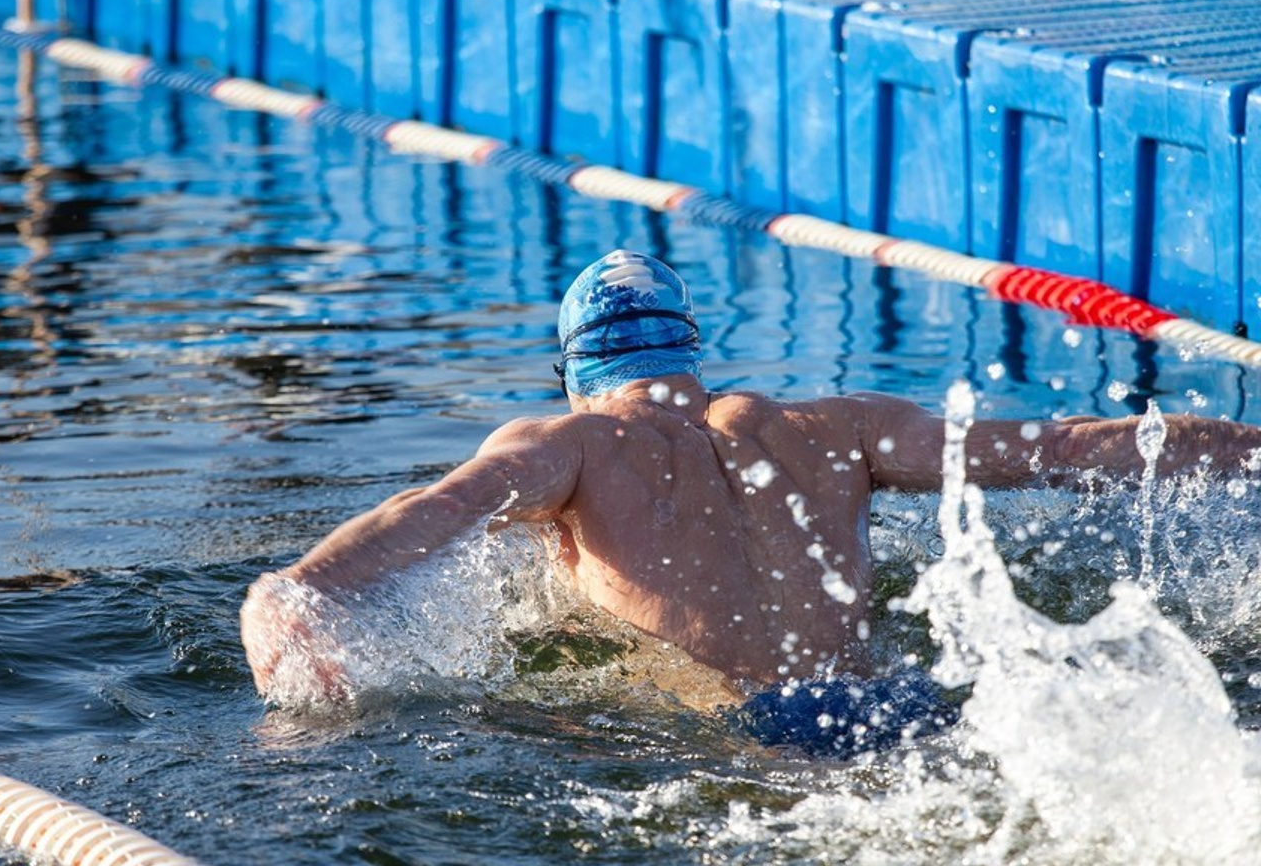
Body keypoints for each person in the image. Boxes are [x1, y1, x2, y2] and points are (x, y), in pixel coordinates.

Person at [241, 251, 1261, 752]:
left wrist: (295, 587)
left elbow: (431, 510)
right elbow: (1077, 446)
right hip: (902, 707)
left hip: (754, 735)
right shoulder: (836, 427)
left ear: (574, 370)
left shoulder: (571, 445)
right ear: (687, 347)